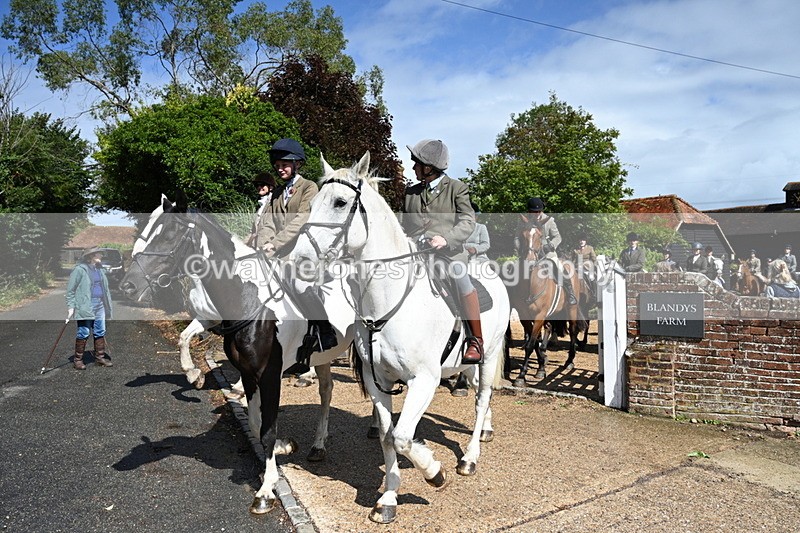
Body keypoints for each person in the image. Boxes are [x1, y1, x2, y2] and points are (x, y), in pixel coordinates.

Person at [400, 139, 483, 363]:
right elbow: (404, 225)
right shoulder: (411, 192)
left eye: (416, 164)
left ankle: (476, 340)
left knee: (461, 278)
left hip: (448, 253)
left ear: (428, 167)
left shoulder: (457, 188)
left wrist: (445, 239)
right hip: (416, 253)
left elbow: (467, 222)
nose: (413, 168)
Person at [257, 138, 337, 363]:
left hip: (302, 251)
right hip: (276, 252)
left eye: (285, 163)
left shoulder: (309, 187)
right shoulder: (276, 193)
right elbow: (267, 222)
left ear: (297, 164)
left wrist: (276, 243)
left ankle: (324, 332)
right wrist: (265, 244)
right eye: (278, 164)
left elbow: (303, 218)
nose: (280, 168)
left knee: (299, 284)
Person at [514, 197, 577, 305]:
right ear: (529, 211)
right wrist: (519, 247)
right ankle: (512, 297)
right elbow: (516, 238)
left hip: (547, 253)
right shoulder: (523, 222)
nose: (537, 213)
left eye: (539, 211)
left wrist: (550, 246)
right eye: (534, 212)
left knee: (560, 268)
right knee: (513, 271)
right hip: (529, 253)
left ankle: (570, 292)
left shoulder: (549, 221)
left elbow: (558, 237)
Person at [65, 247, 114, 369]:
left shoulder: (99, 269)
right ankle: (78, 360)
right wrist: (71, 306)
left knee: (100, 331)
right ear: (91, 256)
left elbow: (105, 288)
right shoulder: (79, 270)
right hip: (86, 305)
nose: (101, 256)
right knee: (84, 332)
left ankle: (100, 358)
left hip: (100, 304)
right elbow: (70, 291)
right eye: (99, 254)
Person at [246, 171, 276, 248]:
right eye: (257, 185)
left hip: (267, 245)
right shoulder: (260, 205)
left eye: (262, 185)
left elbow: (269, 228)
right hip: (256, 244)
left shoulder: (274, 203)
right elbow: (253, 230)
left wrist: (256, 246)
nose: (259, 187)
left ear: (271, 187)